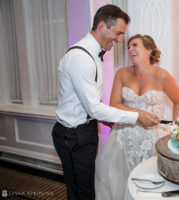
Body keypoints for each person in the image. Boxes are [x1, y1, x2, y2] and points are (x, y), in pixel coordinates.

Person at [52, 5, 160, 200]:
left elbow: (88, 104)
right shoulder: (80, 58)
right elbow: (93, 107)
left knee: (84, 187)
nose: (120, 40)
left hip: (85, 129)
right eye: (118, 33)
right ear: (102, 26)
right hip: (73, 135)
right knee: (81, 191)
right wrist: (137, 116)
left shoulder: (94, 54)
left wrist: (104, 119)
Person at [94, 34, 179, 200]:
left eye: (135, 45)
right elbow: (114, 104)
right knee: (116, 178)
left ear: (149, 50)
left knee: (151, 181)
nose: (130, 49)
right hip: (123, 135)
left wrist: (175, 130)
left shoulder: (162, 76)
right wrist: (139, 114)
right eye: (128, 47)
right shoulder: (122, 73)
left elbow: (178, 102)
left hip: (153, 137)